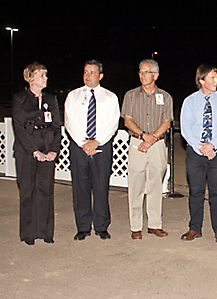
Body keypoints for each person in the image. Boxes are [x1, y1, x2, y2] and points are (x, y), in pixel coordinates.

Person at [65, 60, 120, 241]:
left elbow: (113, 123)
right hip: (79, 147)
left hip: (101, 146)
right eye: (85, 72)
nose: (88, 75)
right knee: (80, 188)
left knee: (101, 186)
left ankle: (101, 226)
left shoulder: (110, 97)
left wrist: (96, 142)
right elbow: (70, 122)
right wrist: (84, 143)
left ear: (100, 76)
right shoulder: (73, 96)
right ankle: (82, 227)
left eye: (92, 72)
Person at [180, 64, 217, 243]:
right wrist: (200, 147)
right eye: (212, 78)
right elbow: (185, 128)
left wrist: (212, 145)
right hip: (195, 153)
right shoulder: (189, 101)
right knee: (196, 191)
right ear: (201, 80)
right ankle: (195, 228)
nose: (216, 81)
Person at [121, 59, 173, 240]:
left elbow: (167, 122)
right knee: (135, 184)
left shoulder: (165, 97)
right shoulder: (131, 95)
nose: (142, 75)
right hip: (137, 143)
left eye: (146, 72)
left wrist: (152, 138)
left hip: (157, 145)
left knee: (155, 186)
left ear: (155, 75)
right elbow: (127, 120)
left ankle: (154, 224)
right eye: (141, 72)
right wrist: (144, 135)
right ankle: (136, 226)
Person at [12, 62, 62, 245]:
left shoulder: (51, 99)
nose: (46, 78)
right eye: (42, 75)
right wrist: (34, 151)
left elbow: (57, 127)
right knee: (27, 192)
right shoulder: (20, 99)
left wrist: (53, 150)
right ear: (31, 77)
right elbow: (19, 128)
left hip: (48, 152)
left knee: (46, 191)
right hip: (27, 152)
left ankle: (46, 231)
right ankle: (28, 233)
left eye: (46, 74)